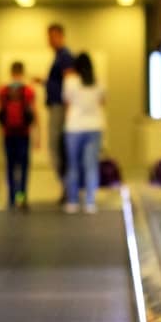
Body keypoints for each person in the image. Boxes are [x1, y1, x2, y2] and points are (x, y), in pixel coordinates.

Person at [62, 53, 105, 214]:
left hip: (74, 127)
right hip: (94, 127)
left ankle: (72, 201)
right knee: (91, 166)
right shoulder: (99, 83)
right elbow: (102, 103)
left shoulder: (70, 82)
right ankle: (90, 201)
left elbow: (66, 103)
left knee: (73, 165)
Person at [0, 62, 36, 210]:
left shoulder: (3, 90)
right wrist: (38, 136)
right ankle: (22, 196)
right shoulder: (28, 91)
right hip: (24, 134)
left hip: (8, 134)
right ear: (22, 73)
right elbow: (33, 113)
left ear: (11, 72)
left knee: (10, 166)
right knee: (23, 166)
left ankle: (11, 198)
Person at [41, 24, 75, 200]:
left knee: (57, 147)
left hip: (60, 108)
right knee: (57, 148)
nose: (49, 41)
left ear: (60, 36)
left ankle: (68, 186)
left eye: (52, 36)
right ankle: (66, 186)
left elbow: (69, 83)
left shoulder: (65, 57)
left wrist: (68, 110)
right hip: (56, 105)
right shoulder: (58, 57)